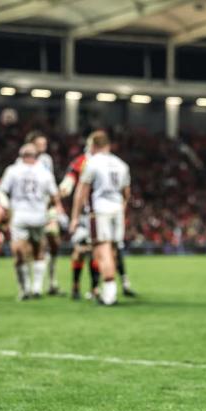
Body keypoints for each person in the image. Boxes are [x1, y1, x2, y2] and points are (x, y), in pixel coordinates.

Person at [69, 130, 131, 306]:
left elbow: (81, 192)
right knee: (111, 250)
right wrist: (120, 209)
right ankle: (107, 291)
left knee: (102, 252)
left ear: (93, 146)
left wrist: (74, 218)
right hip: (117, 211)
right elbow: (127, 193)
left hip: (99, 212)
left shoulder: (92, 163)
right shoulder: (121, 164)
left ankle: (109, 295)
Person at [0, 143, 64, 300]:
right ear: (36, 156)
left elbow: (1, 193)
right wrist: (58, 210)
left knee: (19, 253)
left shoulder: (12, 171)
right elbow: (55, 196)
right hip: (39, 216)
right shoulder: (44, 173)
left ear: (21, 156)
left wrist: (4, 214)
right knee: (39, 250)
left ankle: (24, 289)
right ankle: (36, 288)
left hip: (20, 216)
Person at [60, 149, 101, 300]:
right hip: (84, 214)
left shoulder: (107, 162)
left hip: (99, 213)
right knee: (80, 250)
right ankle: (76, 285)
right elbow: (71, 176)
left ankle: (94, 287)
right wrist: (67, 185)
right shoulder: (82, 160)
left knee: (97, 251)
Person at [27, 131, 62, 295]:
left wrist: (55, 201)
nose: (43, 146)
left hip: (47, 207)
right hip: (31, 208)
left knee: (54, 241)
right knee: (35, 246)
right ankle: (32, 285)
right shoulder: (23, 161)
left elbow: (50, 180)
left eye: (44, 143)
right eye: (40, 143)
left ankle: (52, 282)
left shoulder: (47, 160)